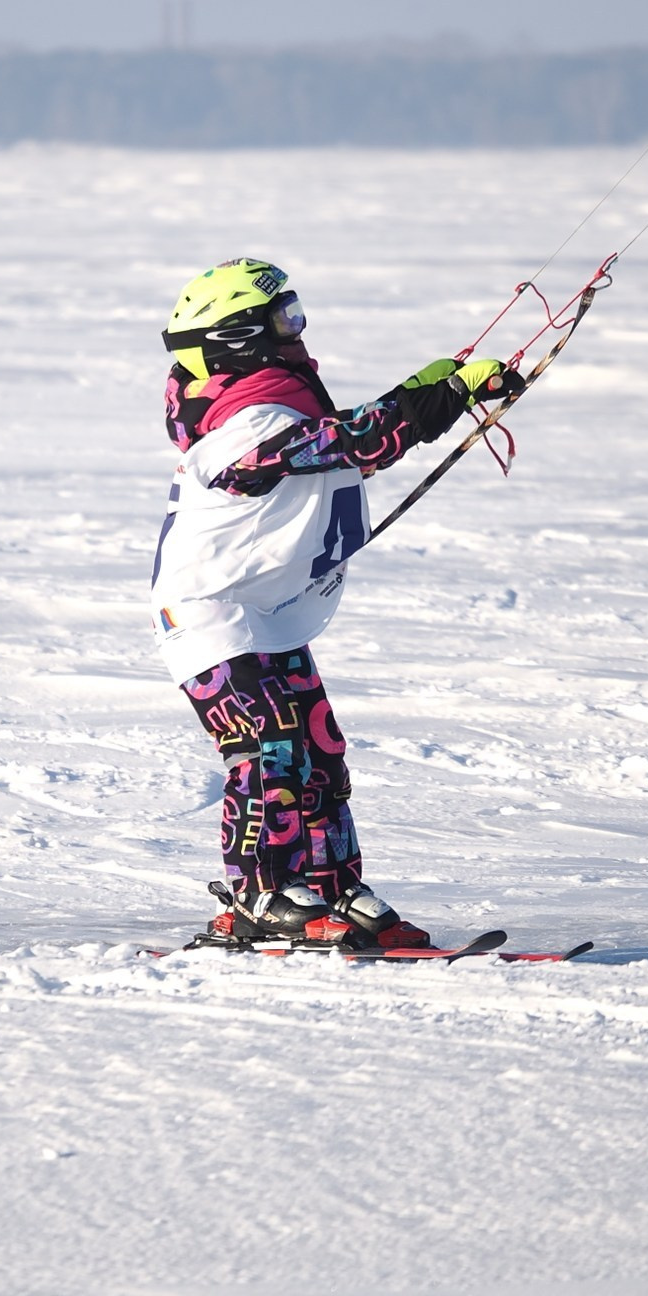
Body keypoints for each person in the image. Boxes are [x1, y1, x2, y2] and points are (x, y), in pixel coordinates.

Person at [150, 258, 521, 951]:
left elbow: (345, 444)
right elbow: (346, 443)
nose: (297, 330)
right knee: (267, 748)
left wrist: (429, 393)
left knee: (319, 753)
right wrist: (436, 401)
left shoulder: (272, 406)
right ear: (239, 338)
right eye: (283, 318)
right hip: (208, 614)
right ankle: (260, 896)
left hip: (269, 609)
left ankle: (329, 890)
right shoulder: (241, 426)